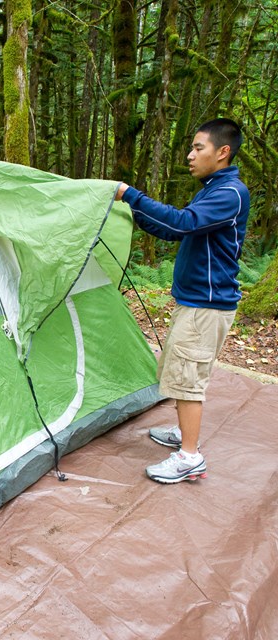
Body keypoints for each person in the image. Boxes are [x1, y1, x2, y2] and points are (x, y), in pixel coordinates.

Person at [115, 118, 250, 484]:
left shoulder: (230, 193)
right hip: (196, 301)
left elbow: (182, 223)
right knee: (183, 370)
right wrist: (133, 210)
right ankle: (183, 433)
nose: (190, 156)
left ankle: (190, 456)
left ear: (223, 152)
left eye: (198, 148)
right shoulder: (211, 189)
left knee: (188, 377)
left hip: (207, 306)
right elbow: (171, 229)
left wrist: (131, 195)